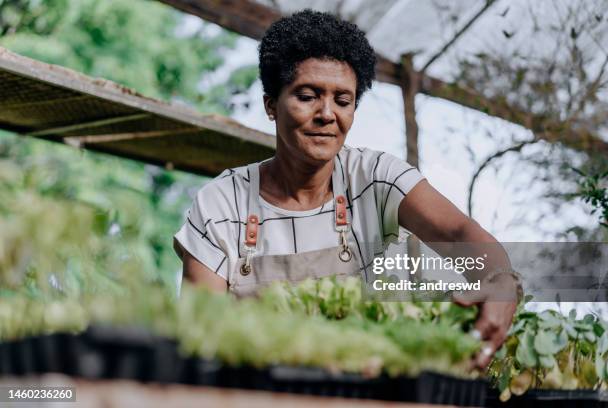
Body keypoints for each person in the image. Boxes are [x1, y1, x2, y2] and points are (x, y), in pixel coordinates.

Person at [174, 9, 521, 368]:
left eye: (343, 101)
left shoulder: (374, 177)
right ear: (271, 105)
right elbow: (201, 334)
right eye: (307, 96)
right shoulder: (221, 204)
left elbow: (459, 231)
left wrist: (500, 279)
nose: (327, 114)